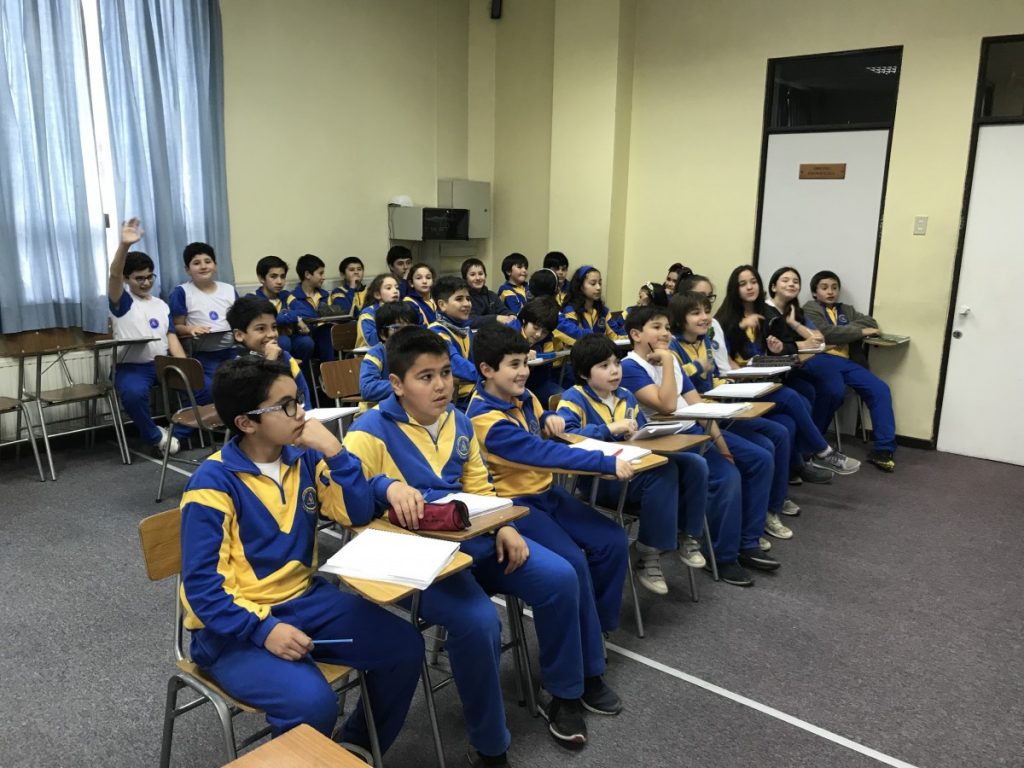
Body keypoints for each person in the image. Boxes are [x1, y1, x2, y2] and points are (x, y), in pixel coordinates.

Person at [345, 326, 612, 760]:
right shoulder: (368, 431)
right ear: (396, 383)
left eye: (446, 373)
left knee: (561, 577)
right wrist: (384, 486)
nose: (441, 385)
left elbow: (479, 486)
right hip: (417, 557)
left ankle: (564, 693)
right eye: (426, 377)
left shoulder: (459, 421)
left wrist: (503, 524)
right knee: (480, 622)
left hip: (474, 539)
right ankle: (490, 746)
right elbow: (345, 505)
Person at [179, 356, 422, 753]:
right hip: (231, 631)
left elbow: (357, 512)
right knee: (312, 704)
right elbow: (203, 589)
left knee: (404, 648)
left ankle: (352, 749)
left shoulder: (303, 457)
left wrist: (336, 452)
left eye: (299, 400)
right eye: (287, 405)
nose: (302, 413)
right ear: (246, 423)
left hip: (306, 602)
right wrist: (263, 630)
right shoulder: (212, 484)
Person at [466, 323, 629, 716]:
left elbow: (544, 427)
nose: (524, 371)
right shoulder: (484, 419)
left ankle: (592, 636)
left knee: (612, 541)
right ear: (487, 370)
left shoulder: (523, 397)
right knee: (572, 565)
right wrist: (604, 461)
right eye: (514, 365)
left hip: (547, 495)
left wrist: (552, 419)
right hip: (515, 505)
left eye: (525, 363)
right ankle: (576, 677)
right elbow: (542, 454)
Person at [620, 306, 778, 586]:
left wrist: (722, 446)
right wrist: (667, 359)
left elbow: (698, 406)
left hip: (693, 430)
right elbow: (667, 405)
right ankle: (722, 555)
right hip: (665, 441)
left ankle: (748, 541)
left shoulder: (670, 362)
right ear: (636, 334)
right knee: (727, 477)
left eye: (667, 327)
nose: (665, 333)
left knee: (758, 458)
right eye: (656, 327)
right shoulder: (630, 367)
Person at [557, 334, 708, 594]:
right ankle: (648, 554)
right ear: (583, 373)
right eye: (604, 366)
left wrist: (643, 433)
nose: (614, 371)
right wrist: (609, 429)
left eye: (616, 363)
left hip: (634, 466)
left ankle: (687, 534)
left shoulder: (625, 395)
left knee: (695, 463)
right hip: (600, 478)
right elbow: (567, 437)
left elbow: (641, 429)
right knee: (665, 473)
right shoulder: (574, 398)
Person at [668, 291, 797, 541]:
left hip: (720, 408)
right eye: (696, 313)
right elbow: (682, 385)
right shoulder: (673, 348)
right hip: (703, 417)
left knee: (778, 433)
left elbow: (712, 378)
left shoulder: (704, 341)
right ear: (679, 318)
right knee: (762, 453)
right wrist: (702, 373)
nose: (705, 317)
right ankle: (748, 533)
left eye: (707, 311)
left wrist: (730, 385)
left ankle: (766, 514)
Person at [715, 265, 860, 480]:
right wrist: (743, 332)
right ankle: (822, 451)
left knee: (798, 407)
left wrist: (777, 348)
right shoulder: (724, 320)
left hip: (763, 377)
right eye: (743, 284)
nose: (750, 287)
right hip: (741, 385)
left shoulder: (765, 314)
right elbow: (725, 362)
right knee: (793, 395)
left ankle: (796, 468)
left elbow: (792, 344)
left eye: (753, 282)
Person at [766, 266, 866, 476]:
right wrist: (800, 345)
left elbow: (819, 340)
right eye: (785, 280)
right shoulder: (766, 313)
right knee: (803, 396)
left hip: (790, 370)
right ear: (773, 286)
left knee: (812, 390)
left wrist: (794, 324)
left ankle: (802, 459)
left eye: (795, 281)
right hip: (772, 374)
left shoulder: (795, 311)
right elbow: (774, 349)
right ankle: (820, 452)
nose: (791, 284)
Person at [107, 218, 188, 455]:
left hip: (162, 364)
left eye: (150, 276)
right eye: (139, 278)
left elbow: (171, 337)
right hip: (131, 367)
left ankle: (176, 435)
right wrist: (124, 245)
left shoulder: (161, 304)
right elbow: (114, 275)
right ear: (127, 279)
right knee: (133, 394)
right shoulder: (122, 301)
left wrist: (185, 365)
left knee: (199, 385)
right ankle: (157, 437)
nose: (146, 282)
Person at [803, 270, 897, 472]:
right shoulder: (809, 308)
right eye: (824, 288)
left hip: (848, 362)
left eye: (834, 288)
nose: (830, 292)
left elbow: (871, 322)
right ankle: (813, 444)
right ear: (815, 292)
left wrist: (842, 332)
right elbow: (825, 333)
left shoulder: (846, 309)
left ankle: (883, 449)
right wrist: (857, 332)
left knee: (880, 389)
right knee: (833, 392)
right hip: (821, 359)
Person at [169, 241, 238, 404]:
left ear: (215, 265)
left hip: (231, 351)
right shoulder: (181, 292)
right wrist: (190, 329)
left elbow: (240, 320)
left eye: (208, 261)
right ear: (187, 269)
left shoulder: (228, 289)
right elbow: (176, 327)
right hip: (202, 355)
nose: (203, 266)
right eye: (196, 263)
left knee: (244, 384)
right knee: (211, 389)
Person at [228, 295, 312, 405]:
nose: (272, 334)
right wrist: (270, 361)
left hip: (295, 413)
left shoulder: (285, 357)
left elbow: (302, 393)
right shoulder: (237, 367)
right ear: (239, 335)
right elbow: (253, 400)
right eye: (261, 328)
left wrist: (305, 413)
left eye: (274, 327)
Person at [251, 255, 314, 363]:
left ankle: (300, 371)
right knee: (283, 341)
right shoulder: (253, 298)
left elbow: (309, 312)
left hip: (289, 336)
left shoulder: (286, 296)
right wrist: (293, 317)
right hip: (265, 340)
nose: (279, 281)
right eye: (273, 276)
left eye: (282, 276)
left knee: (306, 342)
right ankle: (282, 370)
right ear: (261, 278)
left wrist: (290, 316)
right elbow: (267, 320)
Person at [427, 276, 478, 407]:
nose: (467, 304)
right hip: (453, 403)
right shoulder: (436, 332)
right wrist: (489, 374)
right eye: (459, 299)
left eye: (468, 299)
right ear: (442, 305)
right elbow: (454, 363)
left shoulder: (465, 329)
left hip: (473, 395)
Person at [507, 297, 565, 408]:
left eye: (544, 332)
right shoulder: (509, 332)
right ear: (524, 320)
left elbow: (546, 370)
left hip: (537, 383)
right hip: (511, 386)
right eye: (535, 328)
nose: (538, 335)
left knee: (565, 399)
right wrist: (522, 354)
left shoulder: (548, 338)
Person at [358, 301, 419, 406]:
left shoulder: (420, 352)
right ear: (383, 334)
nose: (406, 333)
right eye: (397, 328)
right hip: (379, 410)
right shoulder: (376, 354)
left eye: (410, 328)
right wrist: (405, 386)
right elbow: (367, 388)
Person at [555, 265, 626, 346]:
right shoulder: (570, 310)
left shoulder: (603, 311)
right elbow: (573, 338)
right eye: (593, 283)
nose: (598, 287)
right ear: (580, 286)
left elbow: (616, 335)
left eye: (600, 283)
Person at [285, 253, 337, 363]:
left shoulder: (325, 295)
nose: (324, 277)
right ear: (308, 274)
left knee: (329, 330)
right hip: (305, 339)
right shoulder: (293, 297)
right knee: (323, 333)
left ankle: (330, 369)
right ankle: (328, 369)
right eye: (320, 273)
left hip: (326, 340)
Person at [462, 257, 515, 327]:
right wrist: (496, 318)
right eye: (472, 275)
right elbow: (470, 320)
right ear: (465, 279)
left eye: (480, 274)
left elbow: (503, 310)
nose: (478, 278)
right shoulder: (464, 298)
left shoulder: (492, 295)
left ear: (485, 276)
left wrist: (511, 315)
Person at [355, 274, 402, 348]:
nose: (395, 291)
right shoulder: (368, 313)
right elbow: (371, 341)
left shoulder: (402, 310)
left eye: (397, 288)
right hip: (370, 352)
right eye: (389, 288)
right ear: (377, 294)